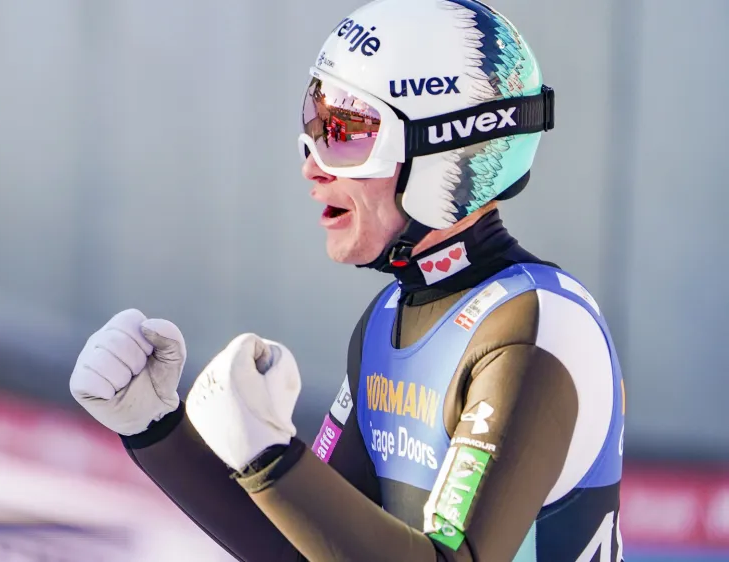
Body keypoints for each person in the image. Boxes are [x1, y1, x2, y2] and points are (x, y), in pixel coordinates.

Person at [68, 0, 625, 560]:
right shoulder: (388, 318)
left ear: (444, 150)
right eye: (314, 119)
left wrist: (272, 459)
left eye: (348, 131)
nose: (312, 164)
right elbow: (309, 550)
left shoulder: (536, 331)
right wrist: (157, 431)